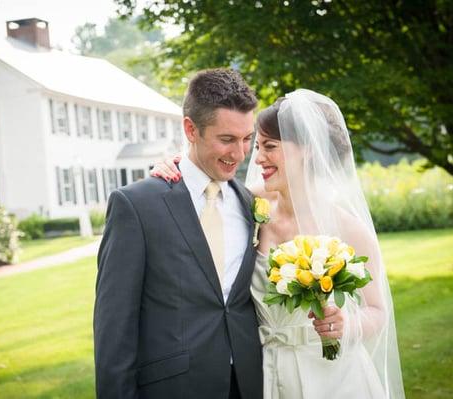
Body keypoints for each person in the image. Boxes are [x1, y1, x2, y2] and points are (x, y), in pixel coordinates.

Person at [152, 89, 405, 398]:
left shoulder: (349, 229)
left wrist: (346, 324)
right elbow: (199, 183)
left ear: (308, 150)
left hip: (335, 377)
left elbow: (377, 311)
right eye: (257, 146)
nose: (257, 158)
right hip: (265, 373)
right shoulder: (246, 203)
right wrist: (171, 165)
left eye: (269, 146)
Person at [94, 68, 263, 399]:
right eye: (227, 139)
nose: (240, 154)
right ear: (190, 129)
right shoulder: (136, 205)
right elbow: (114, 329)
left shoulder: (249, 202)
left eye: (247, 139)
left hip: (249, 383)